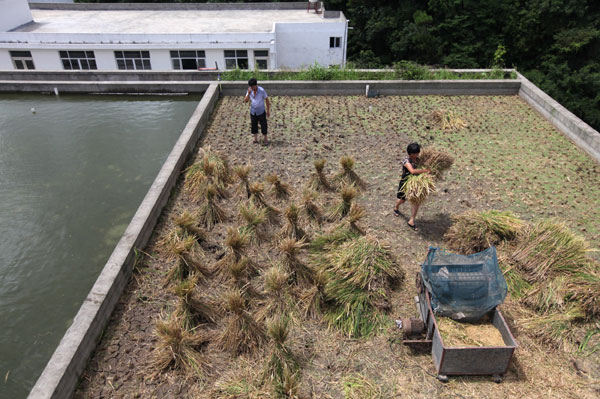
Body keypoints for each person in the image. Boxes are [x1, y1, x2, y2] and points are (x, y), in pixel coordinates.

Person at [394, 142, 430, 230]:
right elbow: (412, 171)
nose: (416, 155)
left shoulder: (418, 159)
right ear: (409, 153)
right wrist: (425, 171)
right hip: (405, 183)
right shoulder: (406, 161)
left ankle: (411, 220)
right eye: (414, 153)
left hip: (416, 184)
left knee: (416, 201)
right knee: (402, 200)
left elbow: (423, 165)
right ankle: (396, 207)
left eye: (417, 153)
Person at [243, 78, 271, 145]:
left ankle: (265, 139)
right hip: (253, 111)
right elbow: (245, 101)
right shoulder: (249, 91)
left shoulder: (261, 90)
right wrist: (248, 94)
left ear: (256, 85)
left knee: (263, 125)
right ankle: (255, 139)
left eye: (253, 86)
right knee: (254, 125)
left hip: (261, 111)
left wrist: (268, 111)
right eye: (251, 87)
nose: (252, 88)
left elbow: (267, 100)